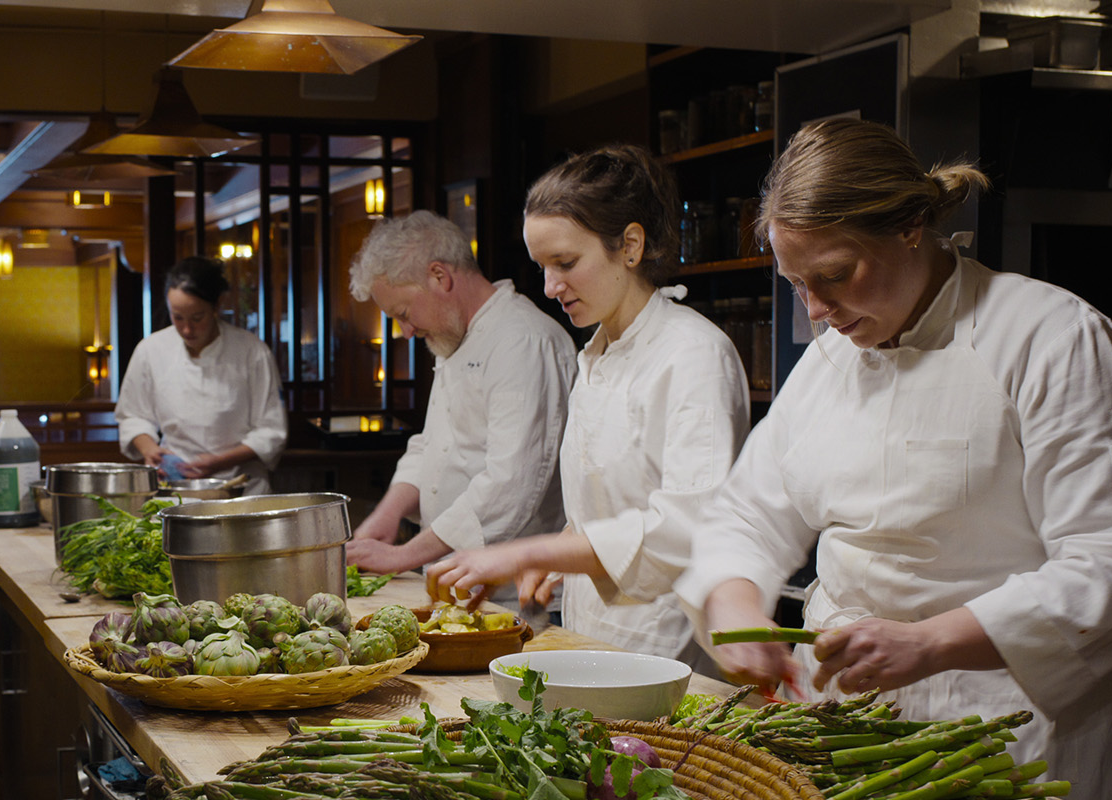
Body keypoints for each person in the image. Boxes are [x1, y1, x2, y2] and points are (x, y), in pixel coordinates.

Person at [673, 118, 1112, 800]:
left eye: (833, 276)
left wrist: (934, 641)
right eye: (796, 285)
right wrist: (735, 604)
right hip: (848, 730)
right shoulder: (832, 358)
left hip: (999, 732)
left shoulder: (1053, 337)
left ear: (911, 229)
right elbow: (749, 510)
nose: (814, 313)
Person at [427, 145, 750, 661]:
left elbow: (686, 526)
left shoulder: (693, 354)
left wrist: (528, 550)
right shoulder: (595, 355)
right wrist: (561, 552)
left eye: (567, 263)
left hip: (670, 646)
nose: (552, 286)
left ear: (630, 245)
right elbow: (612, 500)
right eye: (543, 267)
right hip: (595, 633)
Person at [343, 212, 576, 595]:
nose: (407, 331)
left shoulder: (522, 341)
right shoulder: (456, 337)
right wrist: (388, 514)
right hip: (458, 581)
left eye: (403, 314)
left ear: (439, 276)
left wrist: (405, 555)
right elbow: (435, 443)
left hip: (518, 594)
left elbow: (509, 483)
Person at [115, 257, 288, 495]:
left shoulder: (251, 351)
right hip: (175, 486)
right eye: (178, 317)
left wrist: (217, 462)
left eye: (197, 318)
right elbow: (132, 415)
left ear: (216, 306)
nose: (187, 329)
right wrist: (149, 450)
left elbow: (271, 430)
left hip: (240, 486)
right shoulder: (151, 350)